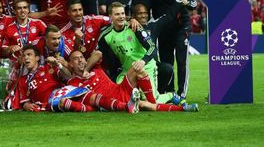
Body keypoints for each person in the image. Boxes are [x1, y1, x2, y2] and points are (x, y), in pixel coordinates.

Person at [18, 46, 139, 113]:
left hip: (67, 93)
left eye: (29, 55)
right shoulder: (22, 80)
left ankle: (125, 107)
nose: (26, 58)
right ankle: (96, 109)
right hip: (50, 102)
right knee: (64, 102)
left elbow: (66, 75)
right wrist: (26, 106)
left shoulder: (48, 68)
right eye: (24, 56)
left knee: (89, 96)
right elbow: (24, 101)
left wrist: (57, 65)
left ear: (38, 58)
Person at [68, 50, 198, 112]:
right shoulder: (72, 83)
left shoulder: (94, 67)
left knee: (137, 68)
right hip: (112, 101)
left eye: (81, 57)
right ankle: (183, 109)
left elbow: (98, 53)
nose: (80, 60)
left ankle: (152, 100)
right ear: (70, 64)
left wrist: (86, 69)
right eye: (75, 59)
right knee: (145, 105)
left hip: (119, 89)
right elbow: (85, 99)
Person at [98, 2, 173, 103]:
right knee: (120, 97)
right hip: (127, 71)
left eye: (122, 14)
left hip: (146, 67)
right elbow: (105, 58)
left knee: (151, 102)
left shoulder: (134, 26)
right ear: (110, 16)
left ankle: (171, 95)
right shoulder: (105, 36)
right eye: (117, 14)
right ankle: (137, 96)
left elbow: (152, 46)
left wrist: (143, 61)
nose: (121, 17)